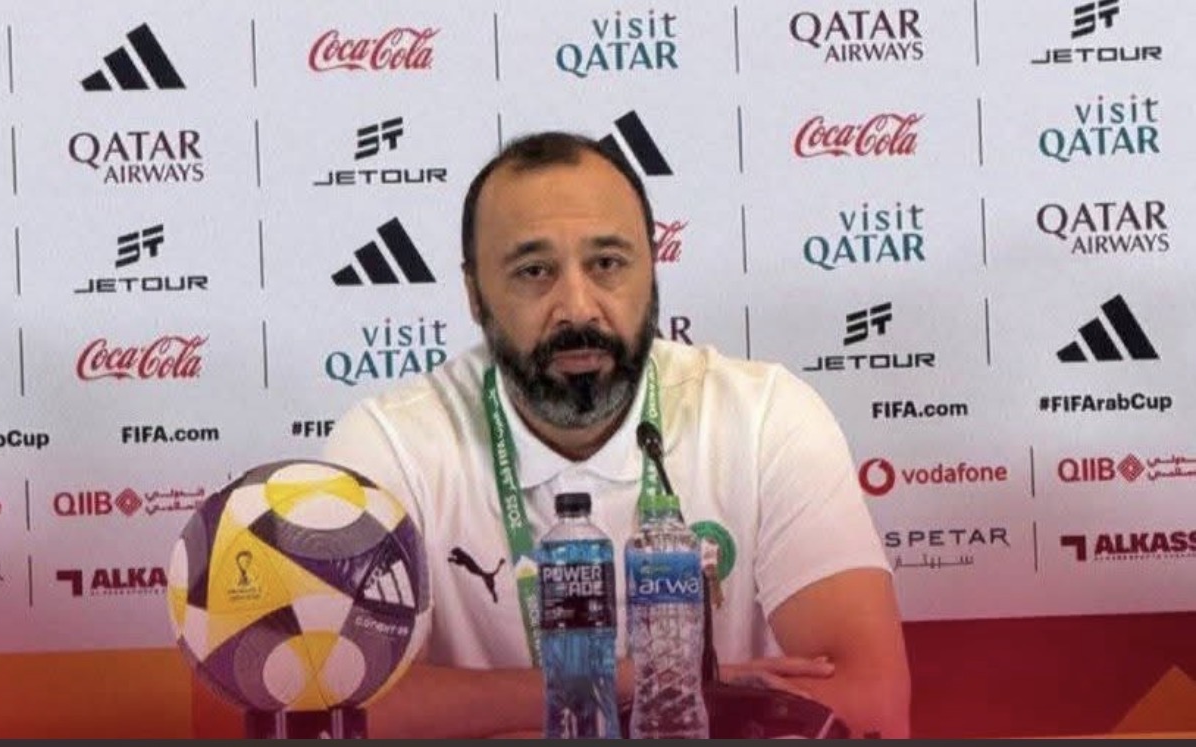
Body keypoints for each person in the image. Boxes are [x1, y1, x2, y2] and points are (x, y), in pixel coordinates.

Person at [322, 131, 911, 739]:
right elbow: (347, 707)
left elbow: (870, 705)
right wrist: (655, 685)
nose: (578, 308)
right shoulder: (391, 443)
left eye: (607, 264)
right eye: (534, 271)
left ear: (652, 270)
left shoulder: (766, 417)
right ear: (474, 294)